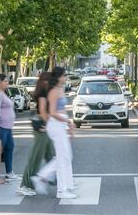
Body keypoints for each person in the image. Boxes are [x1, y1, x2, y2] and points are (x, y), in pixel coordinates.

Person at [31, 67, 77, 199]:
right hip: (55, 125)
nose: (65, 78)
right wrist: (67, 121)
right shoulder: (53, 92)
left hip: (60, 125)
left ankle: (63, 185)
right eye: (63, 76)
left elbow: (62, 110)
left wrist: (68, 124)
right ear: (57, 77)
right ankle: (61, 190)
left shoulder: (60, 89)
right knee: (63, 159)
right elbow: (52, 112)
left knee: (66, 157)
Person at [16, 72, 55, 196]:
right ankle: (26, 185)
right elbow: (42, 112)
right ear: (44, 82)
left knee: (53, 157)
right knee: (36, 158)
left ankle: (61, 181)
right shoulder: (42, 95)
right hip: (42, 128)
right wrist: (51, 124)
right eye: (50, 81)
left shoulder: (44, 93)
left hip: (43, 127)